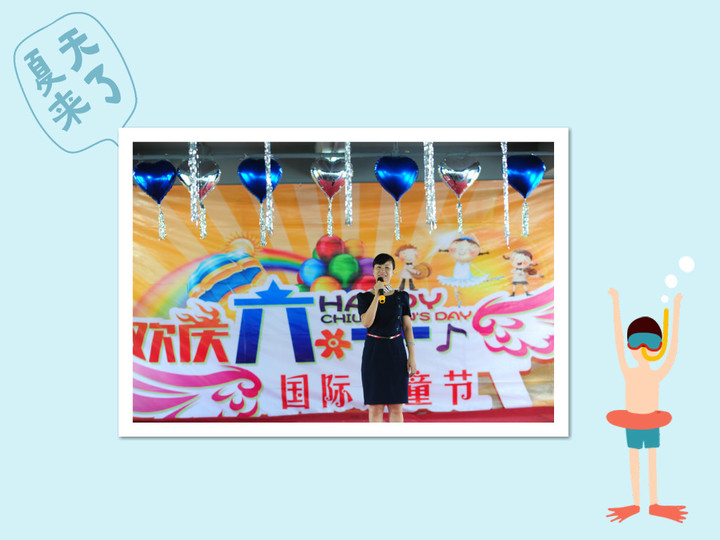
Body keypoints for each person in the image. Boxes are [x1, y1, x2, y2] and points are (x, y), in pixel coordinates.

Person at [606, 289, 687, 523]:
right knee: (634, 458)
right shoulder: (627, 370)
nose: (642, 349)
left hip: (651, 419)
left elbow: (673, 348)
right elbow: (617, 339)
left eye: (650, 343)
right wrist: (615, 302)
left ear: (658, 346)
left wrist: (677, 307)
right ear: (629, 345)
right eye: (636, 343)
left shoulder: (657, 373)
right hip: (632, 419)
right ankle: (635, 503)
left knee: (651, 459)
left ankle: (653, 504)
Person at [357, 253, 417, 422]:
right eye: (379, 267)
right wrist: (377, 295)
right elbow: (366, 323)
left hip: (396, 352)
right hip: (374, 353)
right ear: (373, 271)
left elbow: (407, 327)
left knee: (396, 406)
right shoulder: (364, 297)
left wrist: (412, 357)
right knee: (375, 407)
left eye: (387, 268)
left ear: (393, 272)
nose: (382, 271)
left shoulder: (401, 297)